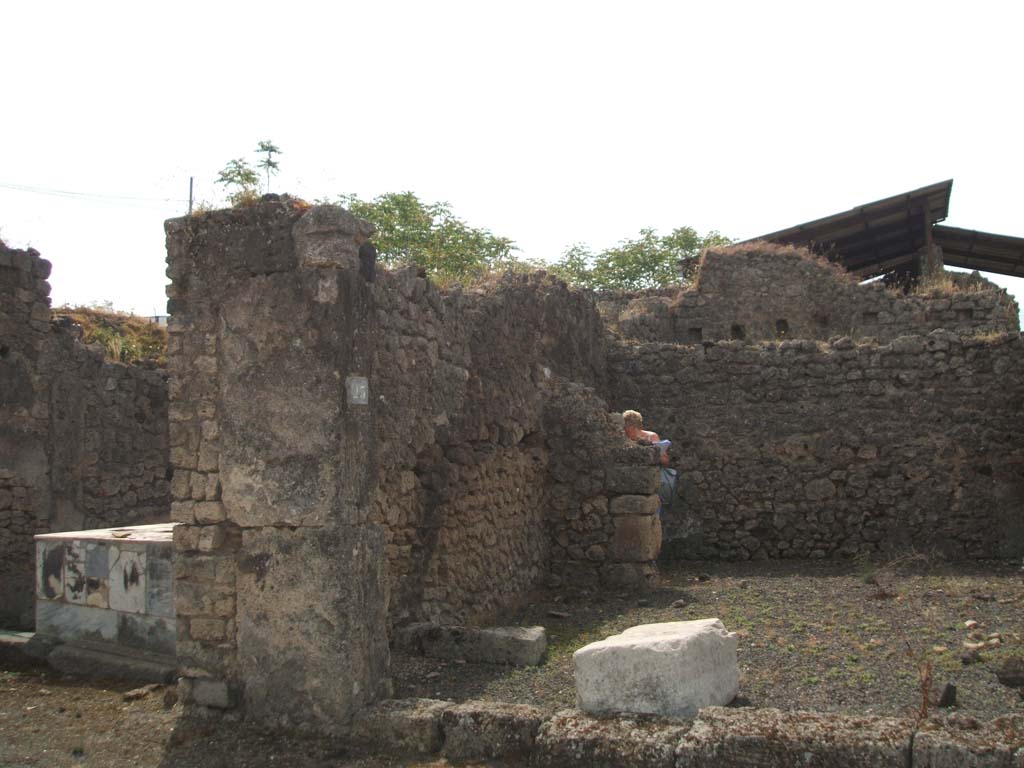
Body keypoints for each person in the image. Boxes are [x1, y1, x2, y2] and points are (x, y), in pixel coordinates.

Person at [623, 409, 678, 515]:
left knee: (654, 511)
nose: (626, 431)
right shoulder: (624, 438)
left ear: (634, 427)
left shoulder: (651, 436)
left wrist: (653, 453)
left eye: (628, 428)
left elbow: (665, 460)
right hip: (632, 481)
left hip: (651, 480)